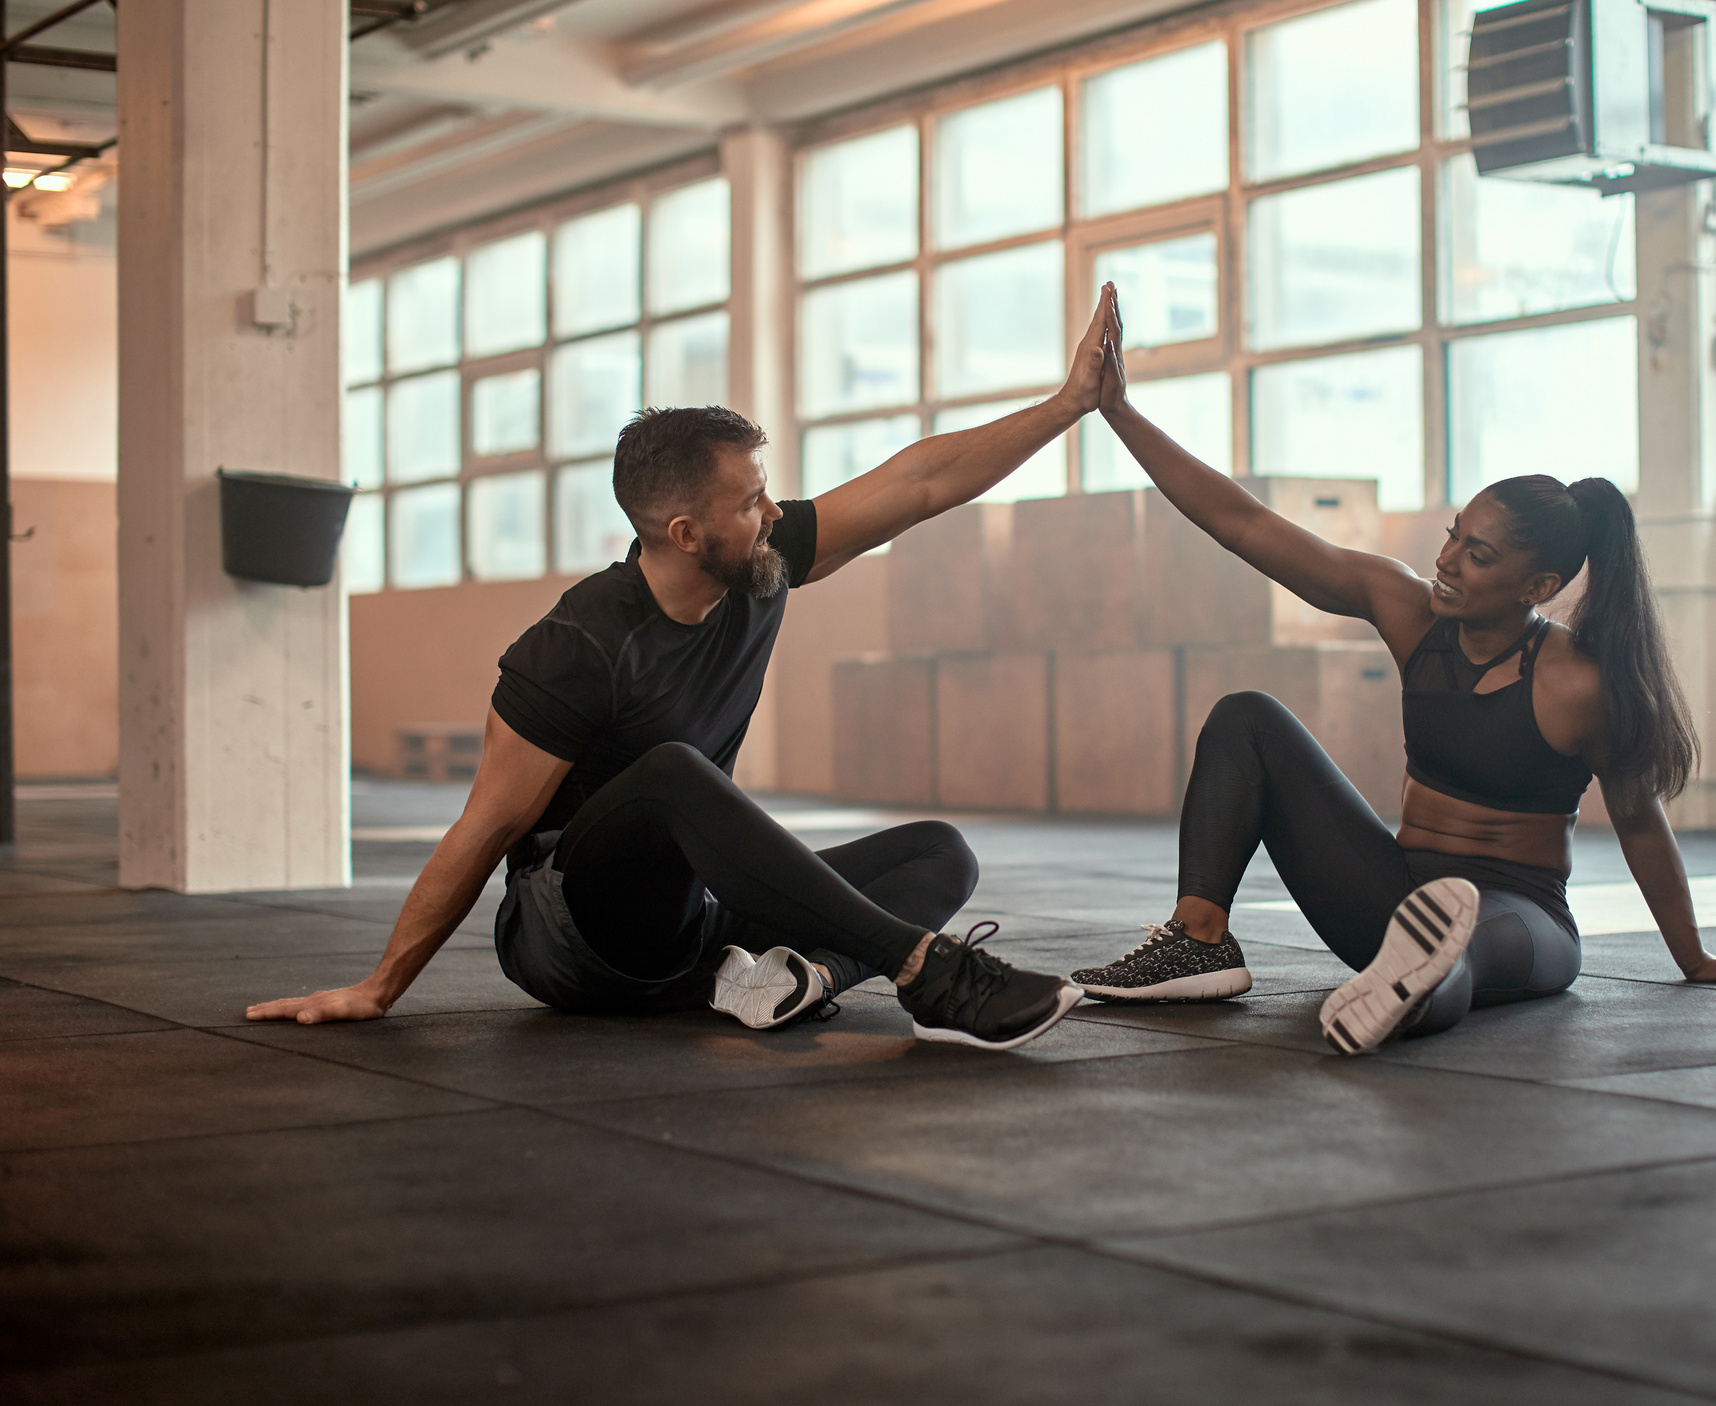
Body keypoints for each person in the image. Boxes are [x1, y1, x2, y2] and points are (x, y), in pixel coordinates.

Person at [246, 290, 1125, 1051]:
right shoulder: (579, 644)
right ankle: (924, 968)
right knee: (670, 774)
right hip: (575, 938)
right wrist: (378, 987)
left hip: (691, 921)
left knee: (940, 852)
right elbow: (481, 831)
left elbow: (922, 482)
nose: (773, 510)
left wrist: (1066, 405)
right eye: (750, 502)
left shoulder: (761, 565)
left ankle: (795, 979)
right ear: (684, 534)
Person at [1069, 289, 1716, 1052]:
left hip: (1520, 919)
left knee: (1463, 949)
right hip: (1392, 892)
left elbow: (1641, 820)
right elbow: (1246, 525)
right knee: (1246, 718)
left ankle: (1409, 991)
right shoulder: (1409, 610)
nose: (1447, 561)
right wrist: (1119, 413)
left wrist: (1695, 958)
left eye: (1478, 555)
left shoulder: (1575, 683)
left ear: (1538, 588)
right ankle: (1200, 940)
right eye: (1455, 536)